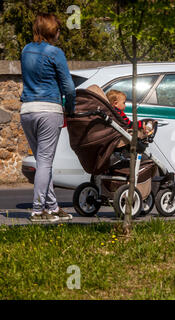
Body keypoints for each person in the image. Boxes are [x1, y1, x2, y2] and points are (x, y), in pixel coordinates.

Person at [20, 13, 75, 222]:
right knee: (45, 162)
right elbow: (69, 87)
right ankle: (37, 210)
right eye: (58, 29)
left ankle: (52, 207)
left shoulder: (25, 50)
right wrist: (70, 108)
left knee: (42, 161)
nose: (60, 32)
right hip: (48, 109)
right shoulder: (55, 53)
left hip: (27, 110)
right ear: (53, 30)